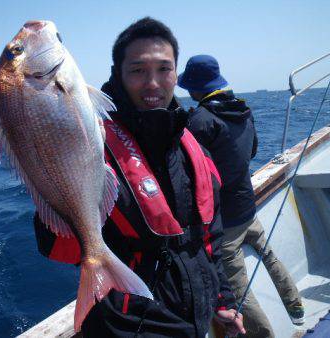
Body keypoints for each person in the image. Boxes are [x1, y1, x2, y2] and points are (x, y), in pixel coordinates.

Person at [34, 18, 245, 337]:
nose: (153, 83)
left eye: (164, 69)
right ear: (117, 74)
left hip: (195, 318)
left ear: (177, 73)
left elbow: (209, 239)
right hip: (130, 323)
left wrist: (222, 301)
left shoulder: (194, 148)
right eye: (137, 70)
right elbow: (58, 249)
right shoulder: (91, 146)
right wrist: (50, 177)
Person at [178, 55, 304, 337]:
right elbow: (253, 150)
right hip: (248, 207)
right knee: (269, 255)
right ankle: (295, 305)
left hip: (226, 219)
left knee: (237, 285)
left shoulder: (199, 120)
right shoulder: (243, 109)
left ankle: (264, 334)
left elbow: (191, 172)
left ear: (195, 88)